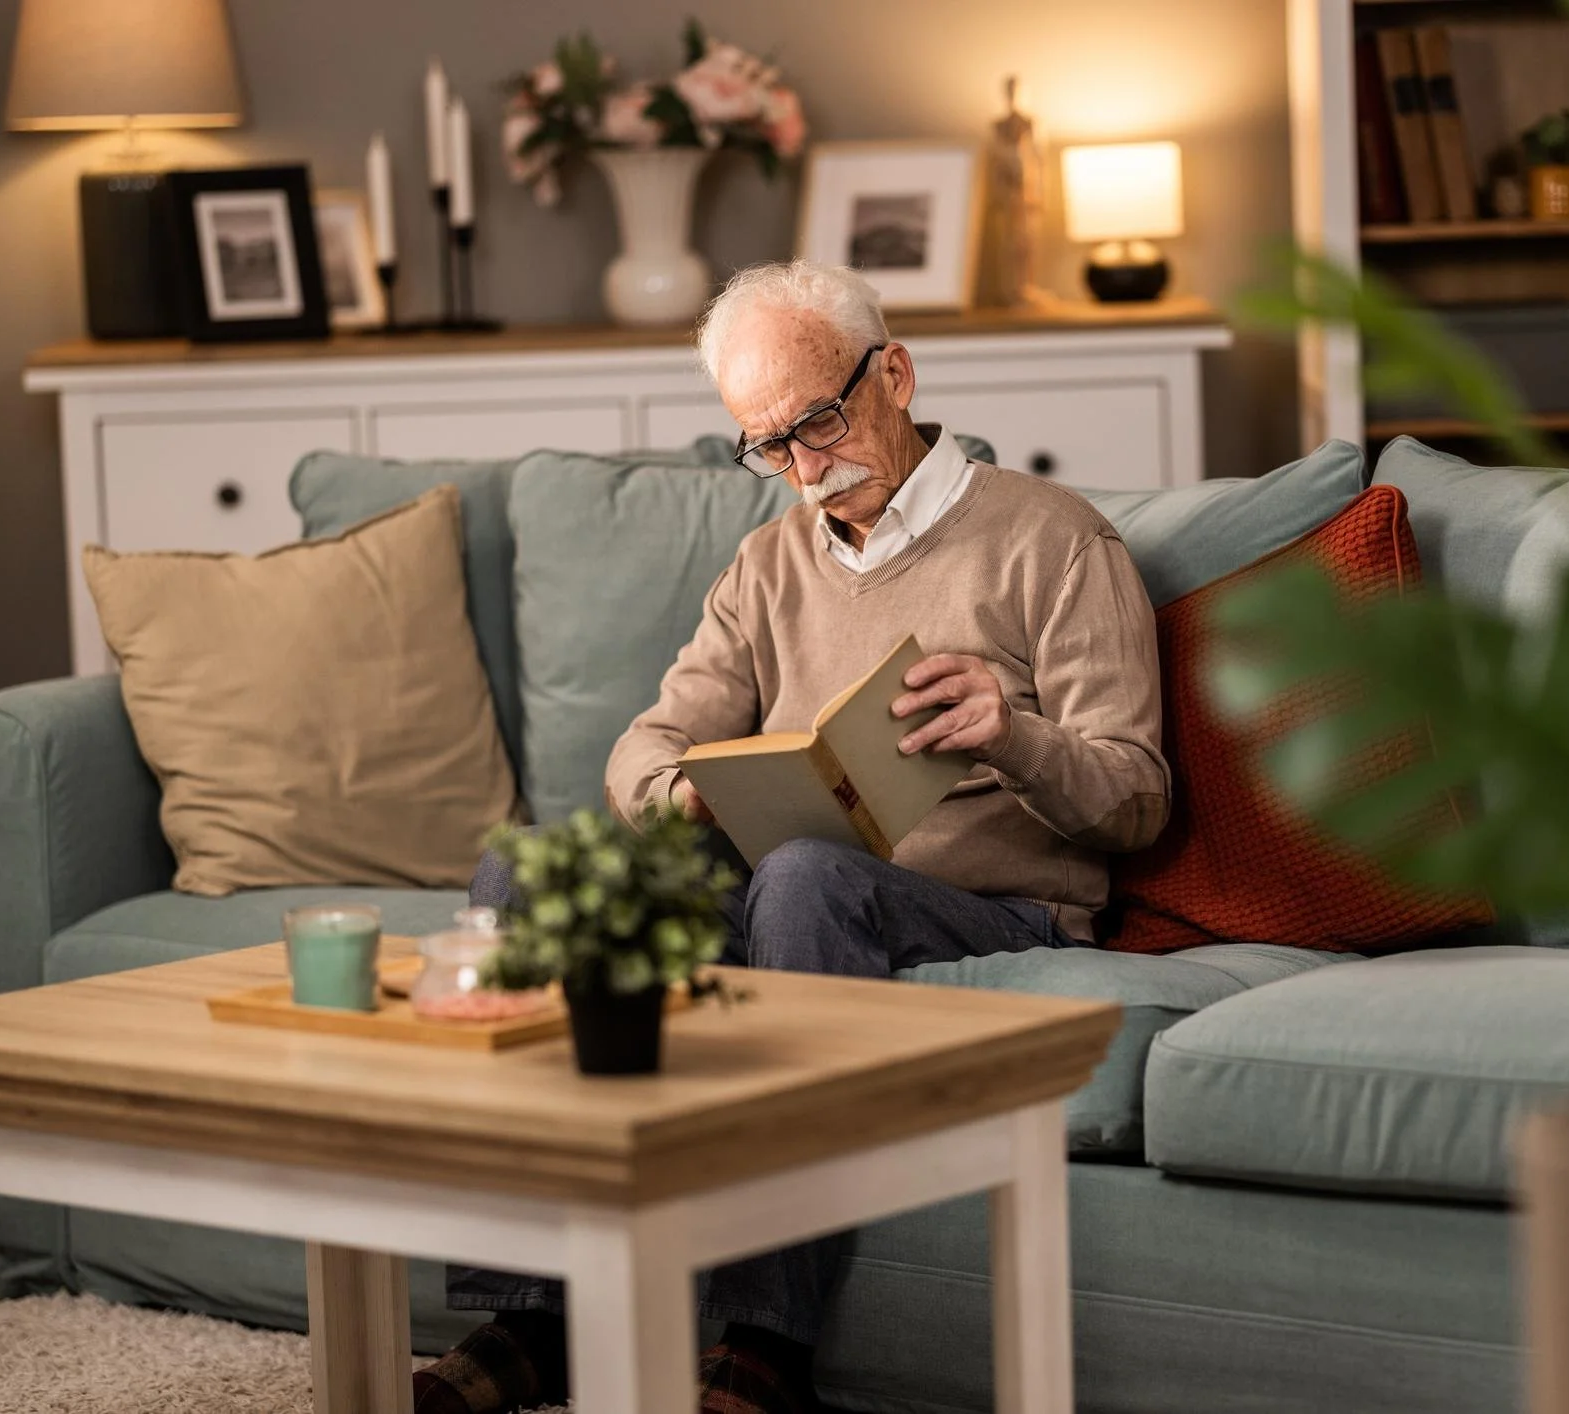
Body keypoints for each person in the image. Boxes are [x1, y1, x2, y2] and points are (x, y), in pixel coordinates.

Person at [415, 259, 1169, 1414]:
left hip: (992, 906)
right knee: (527, 876)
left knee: (808, 877)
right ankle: (534, 1316)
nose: (805, 466)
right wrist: (687, 798)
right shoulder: (769, 563)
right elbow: (643, 746)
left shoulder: (1055, 540)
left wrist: (1010, 734)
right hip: (802, 896)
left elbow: (1133, 797)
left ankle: (764, 1343)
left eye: (816, 420)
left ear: (895, 373)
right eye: (767, 444)